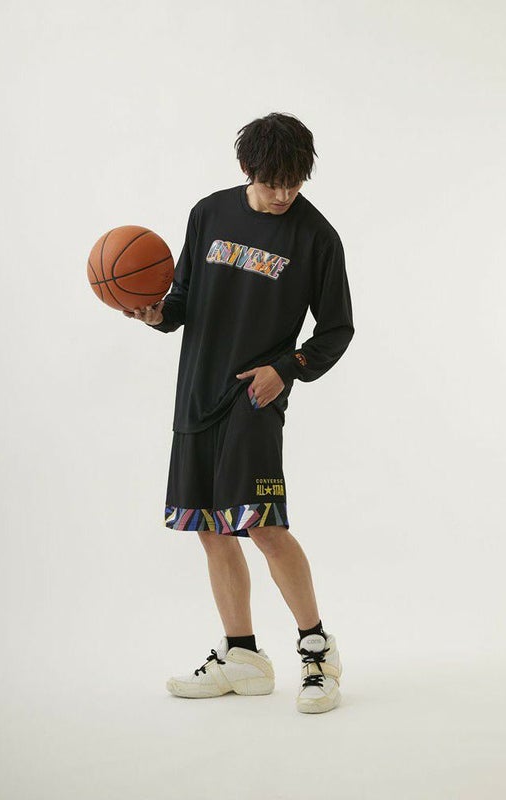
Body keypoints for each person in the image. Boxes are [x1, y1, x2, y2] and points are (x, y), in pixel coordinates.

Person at [124, 112, 354, 713]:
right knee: (209, 526)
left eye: (294, 183)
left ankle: (317, 651)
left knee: (263, 525)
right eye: (273, 182)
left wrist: (287, 368)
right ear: (248, 169)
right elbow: (182, 301)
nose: (283, 194)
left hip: (254, 400)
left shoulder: (317, 237)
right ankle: (242, 656)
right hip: (196, 392)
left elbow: (336, 329)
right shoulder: (208, 214)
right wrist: (156, 314)